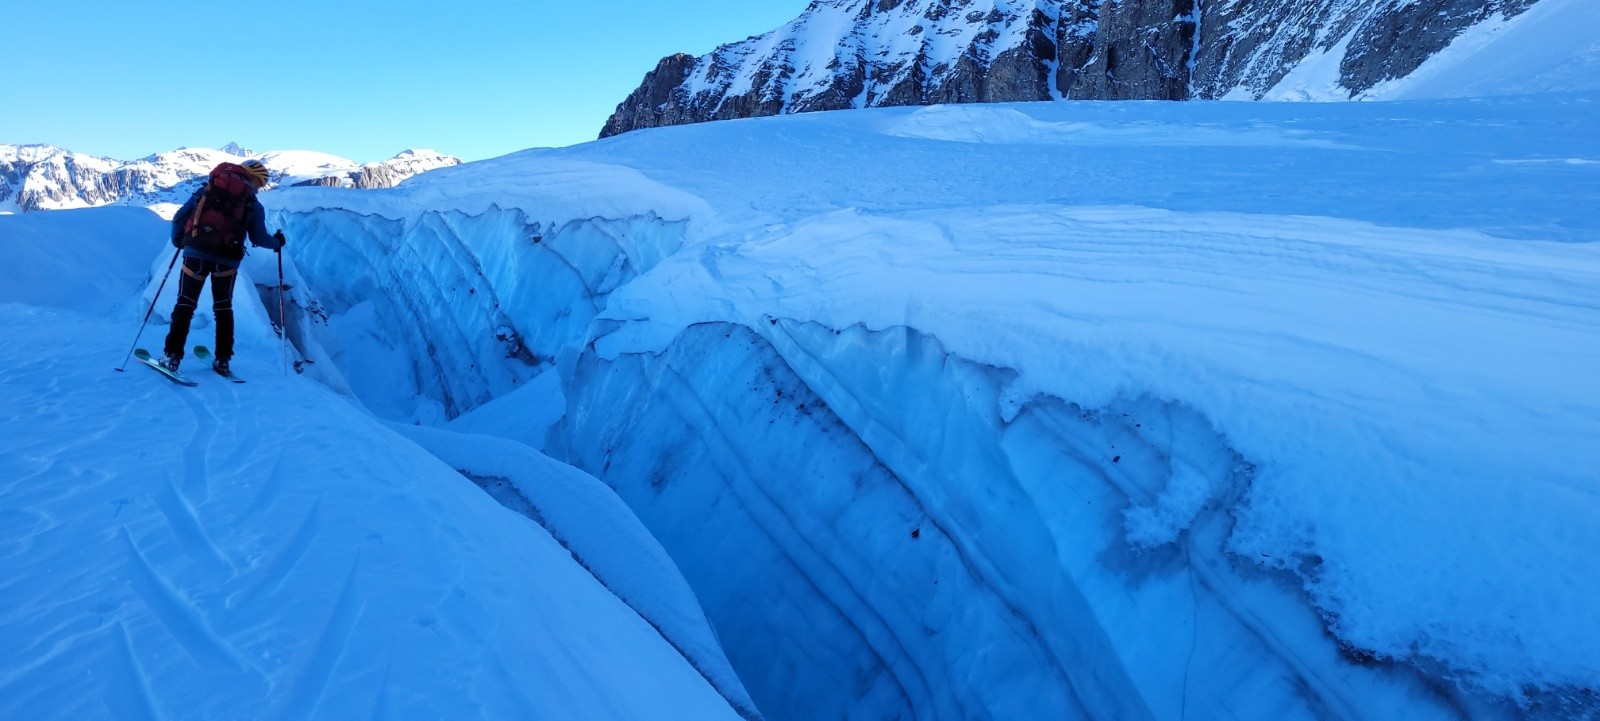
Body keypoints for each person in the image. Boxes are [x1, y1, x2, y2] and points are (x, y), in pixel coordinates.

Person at [160, 158, 286, 375]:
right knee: (223, 308)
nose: (257, 189)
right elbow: (259, 237)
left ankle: (172, 356)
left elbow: (180, 216)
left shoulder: (208, 189)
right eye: (259, 185)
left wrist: (180, 240)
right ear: (255, 180)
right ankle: (223, 360)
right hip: (227, 260)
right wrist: (278, 243)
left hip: (196, 253)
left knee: (185, 304)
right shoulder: (253, 204)